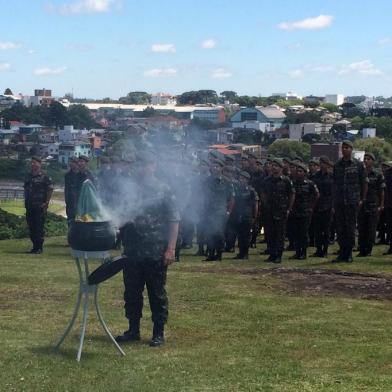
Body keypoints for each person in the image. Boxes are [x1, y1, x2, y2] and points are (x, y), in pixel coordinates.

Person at [116, 151, 180, 347]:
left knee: (156, 293)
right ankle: (133, 330)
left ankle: (158, 332)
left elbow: (174, 220)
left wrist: (170, 249)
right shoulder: (130, 189)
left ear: (153, 165)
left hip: (155, 251)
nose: (141, 168)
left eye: (145, 164)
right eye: (139, 164)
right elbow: (122, 215)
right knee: (132, 293)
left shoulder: (164, 189)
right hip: (132, 251)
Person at [332, 140, 368, 263]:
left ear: (351, 149)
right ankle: (341, 252)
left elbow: (364, 183)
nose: (344, 149)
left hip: (352, 201)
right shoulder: (337, 165)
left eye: (347, 147)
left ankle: (348, 253)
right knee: (340, 228)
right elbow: (335, 184)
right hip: (340, 201)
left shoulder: (358, 165)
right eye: (343, 148)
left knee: (350, 228)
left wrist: (362, 199)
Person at [262, 158, 295, 263]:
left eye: (276, 166)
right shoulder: (267, 180)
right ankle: (272, 254)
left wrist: (289, 208)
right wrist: (265, 204)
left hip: (281, 211)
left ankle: (278, 255)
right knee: (270, 233)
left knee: (279, 234)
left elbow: (292, 194)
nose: (274, 167)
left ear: (281, 168)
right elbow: (263, 193)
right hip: (269, 210)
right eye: (273, 165)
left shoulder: (286, 180)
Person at [204, 159, 234, 261]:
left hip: (220, 211)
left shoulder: (227, 182)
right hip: (209, 211)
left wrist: (228, 211)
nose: (215, 168)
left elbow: (231, 199)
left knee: (219, 233)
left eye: (217, 166)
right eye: (213, 166)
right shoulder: (207, 181)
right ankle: (211, 254)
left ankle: (219, 254)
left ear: (221, 168)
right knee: (209, 233)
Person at [23, 156, 54, 254]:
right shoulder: (28, 176)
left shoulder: (45, 176)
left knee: (39, 227)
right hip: (29, 205)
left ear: (40, 164)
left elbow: (50, 189)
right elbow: (26, 189)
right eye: (31, 163)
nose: (33, 165)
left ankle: (39, 247)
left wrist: (46, 203)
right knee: (31, 226)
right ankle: (34, 247)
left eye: (35, 163)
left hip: (40, 206)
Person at [289, 163, 319, 260]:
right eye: (297, 171)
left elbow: (316, 195)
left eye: (300, 171)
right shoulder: (293, 183)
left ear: (305, 173)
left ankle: (303, 252)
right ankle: (297, 252)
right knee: (296, 232)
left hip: (305, 211)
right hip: (295, 210)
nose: (298, 173)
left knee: (303, 232)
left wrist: (311, 207)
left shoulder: (310, 184)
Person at [357, 152, 385, 256]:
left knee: (371, 228)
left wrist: (381, 205)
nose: (366, 161)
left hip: (373, 204)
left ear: (373, 161)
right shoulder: (360, 173)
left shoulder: (377, 174)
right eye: (365, 159)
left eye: (368, 159)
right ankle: (362, 249)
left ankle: (368, 250)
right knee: (362, 227)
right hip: (362, 204)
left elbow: (381, 191)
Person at [233, 171, 259, 259]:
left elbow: (256, 204)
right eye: (240, 178)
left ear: (247, 180)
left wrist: (254, 216)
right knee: (240, 235)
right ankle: (241, 253)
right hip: (238, 215)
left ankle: (245, 253)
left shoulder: (251, 190)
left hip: (247, 215)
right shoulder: (237, 189)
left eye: (243, 178)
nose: (241, 180)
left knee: (246, 235)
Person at [312, 156, 334, 257]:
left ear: (328, 165)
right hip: (317, 205)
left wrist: (333, 206)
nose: (322, 165)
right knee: (317, 230)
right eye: (320, 163)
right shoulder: (316, 176)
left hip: (328, 205)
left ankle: (325, 250)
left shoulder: (331, 176)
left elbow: (334, 192)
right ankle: (318, 249)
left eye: (324, 163)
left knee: (326, 230)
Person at [64, 157, 80, 224]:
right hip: (70, 202)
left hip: (80, 203)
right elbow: (66, 189)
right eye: (70, 162)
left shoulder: (81, 175)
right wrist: (67, 200)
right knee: (70, 221)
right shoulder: (67, 175)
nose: (71, 164)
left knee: (81, 221)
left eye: (73, 162)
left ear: (77, 164)